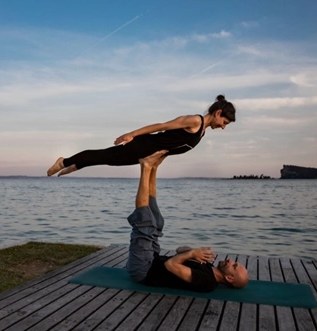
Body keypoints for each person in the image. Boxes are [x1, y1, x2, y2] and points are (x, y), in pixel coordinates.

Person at [126, 150, 249, 292]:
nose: (230, 261)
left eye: (233, 266)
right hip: (153, 259)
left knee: (146, 223)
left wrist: (191, 255)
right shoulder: (209, 268)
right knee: (158, 222)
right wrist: (194, 252)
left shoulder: (207, 282)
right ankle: (153, 168)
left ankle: (145, 167)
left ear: (229, 279)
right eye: (235, 262)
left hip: (143, 271)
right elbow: (179, 251)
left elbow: (171, 265)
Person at [47, 95, 235, 177]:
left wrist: (158, 161)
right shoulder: (194, 121)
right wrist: (132, 134)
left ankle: (75, 165)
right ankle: (64, 162)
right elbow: (161, 126)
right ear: (218, 113)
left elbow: (171, 145)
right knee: (103, 156)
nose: (224, 127)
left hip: (148, 154)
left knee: (106, 159)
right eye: (225, 122)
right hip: (142, 146)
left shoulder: (202, 132)